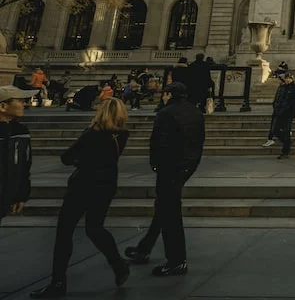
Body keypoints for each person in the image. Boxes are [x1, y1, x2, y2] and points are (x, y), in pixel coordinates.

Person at [30, 98, 131, 298]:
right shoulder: (122, 135)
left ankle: (58, 282)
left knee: (64, 232)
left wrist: (81, 160)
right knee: (95, 228)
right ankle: (118, 264)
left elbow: (66, 157)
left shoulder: (92, 134)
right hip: (106, 185)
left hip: (83, 186)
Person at [124, 82, 205, 277]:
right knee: (164, 206)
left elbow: (158, 141)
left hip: (170, 167)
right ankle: (144, 248)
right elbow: (200, 140)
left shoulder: (166, 113)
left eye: (164, 94)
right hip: (187, 165)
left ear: (169, 94)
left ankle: (177, 261)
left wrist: (155, 164)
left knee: (170, 214)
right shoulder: (195, 112)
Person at [0, 86, 36, 227]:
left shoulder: (21, 131)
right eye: (20, 101)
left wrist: (21, 195)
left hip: (6, 197)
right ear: (3, 106)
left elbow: (25, 165)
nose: (24, 104)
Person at [263, 74, 295, 159]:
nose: (288, 80)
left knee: (286, 132)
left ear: (292, 79)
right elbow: (277, 98)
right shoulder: (282, 87)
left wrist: (288, 108)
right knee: (275, 130)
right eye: (287, 78)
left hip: (288, 114)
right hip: (278, 112)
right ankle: (287, 143)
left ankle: (285, 151)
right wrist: (275, 107)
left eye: (289, 78)